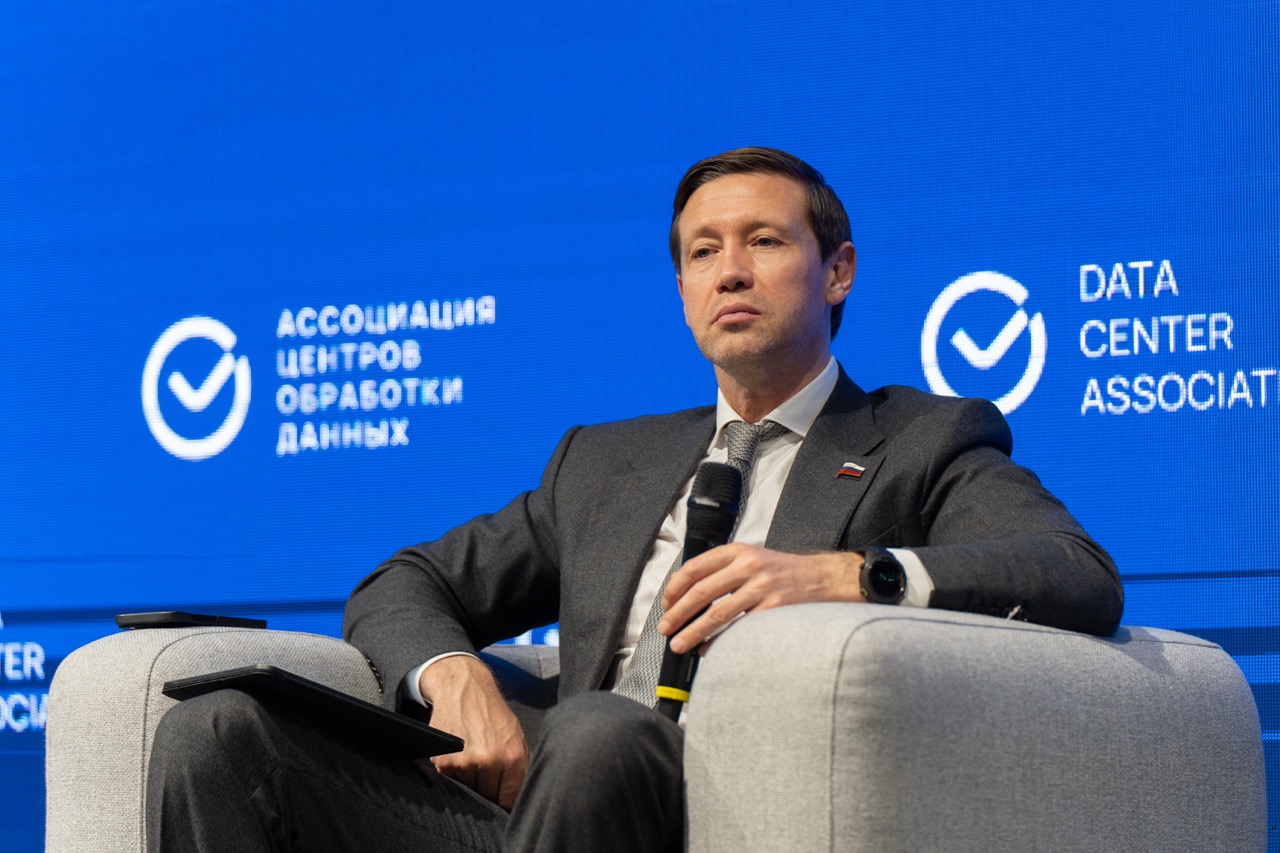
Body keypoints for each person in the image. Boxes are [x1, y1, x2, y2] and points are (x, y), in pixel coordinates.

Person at [147, 147, 1123, 852]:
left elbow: (1072, 571)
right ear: (682, 287)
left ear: (837, 271)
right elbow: (405, 581)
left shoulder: (917, 440)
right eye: (701, 251)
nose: (729, 270)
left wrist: (842, 577)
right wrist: (455, 676)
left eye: (762, 241)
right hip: (539, 804)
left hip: (715, 805)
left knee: (599, 730)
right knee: (219, 732)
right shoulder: (607, 463)